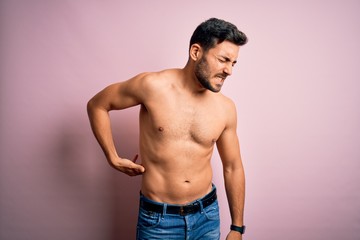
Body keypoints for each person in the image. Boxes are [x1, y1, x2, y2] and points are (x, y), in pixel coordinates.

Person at [87, 17, 248, 240]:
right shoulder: (152, 87)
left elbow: (233, 167)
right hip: (158, 221)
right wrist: (112, 157)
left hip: (207, 216)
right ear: (196, 52)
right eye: (223, 60)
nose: (229, 70)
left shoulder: (226, 108)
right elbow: (97, 105)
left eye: (233, 63)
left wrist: (237, 227)